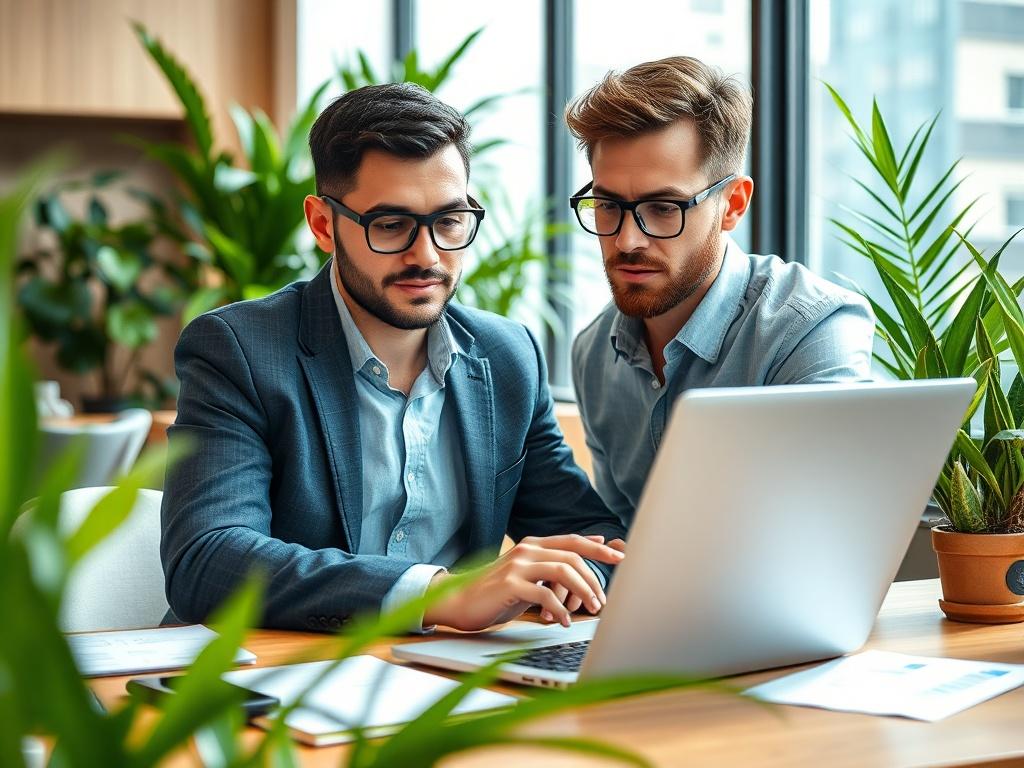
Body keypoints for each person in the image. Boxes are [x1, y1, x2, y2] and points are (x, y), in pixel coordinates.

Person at [161, 83, 626, 633]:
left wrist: (573, 577)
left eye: (450, 221)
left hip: (445, 675)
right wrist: (434, 594)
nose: (426, 255)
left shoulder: (507, 357)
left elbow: (590, 535)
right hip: (276, 675)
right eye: (390, 225)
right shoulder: (239, 349)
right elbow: (207, 560)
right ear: (322, 224)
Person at [565, 56, 875, 528]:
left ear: (732, 205)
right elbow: (623, 543)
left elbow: (831, 531)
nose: (627, 240)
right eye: (608, 205)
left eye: (664, 207)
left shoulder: (810, 329)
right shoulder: (593, 352)